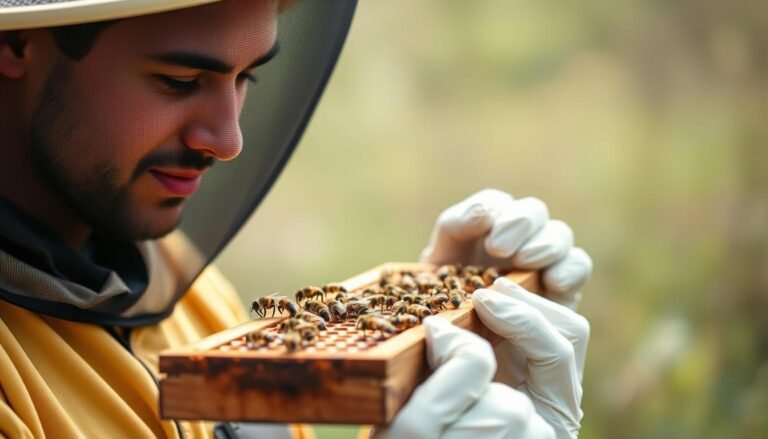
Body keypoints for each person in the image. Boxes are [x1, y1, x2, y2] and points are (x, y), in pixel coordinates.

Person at [0, 1, 593, 438]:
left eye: (246, 79)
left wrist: (435, 375)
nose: (229, 140)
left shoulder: (188, 288)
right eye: (179, 82)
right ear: (18, 44)